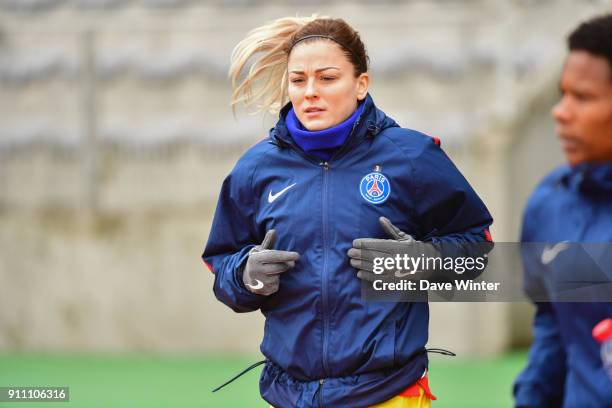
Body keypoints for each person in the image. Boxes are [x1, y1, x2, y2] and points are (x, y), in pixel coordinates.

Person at [203, 15, 493, 407]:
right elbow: (220, 261)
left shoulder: (411, 156)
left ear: (361, 84)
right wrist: (244, 274)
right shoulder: (256, 168)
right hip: (289, 395)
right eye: (298, 80)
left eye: (327, 78)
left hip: (390, 393)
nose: (310, 93)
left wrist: (422, 262)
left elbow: (480, 251)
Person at [513, 13, 612, 408]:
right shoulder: (549, 205)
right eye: (563, 94)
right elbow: (554, 330)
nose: (561, 111)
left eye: (583, 97)